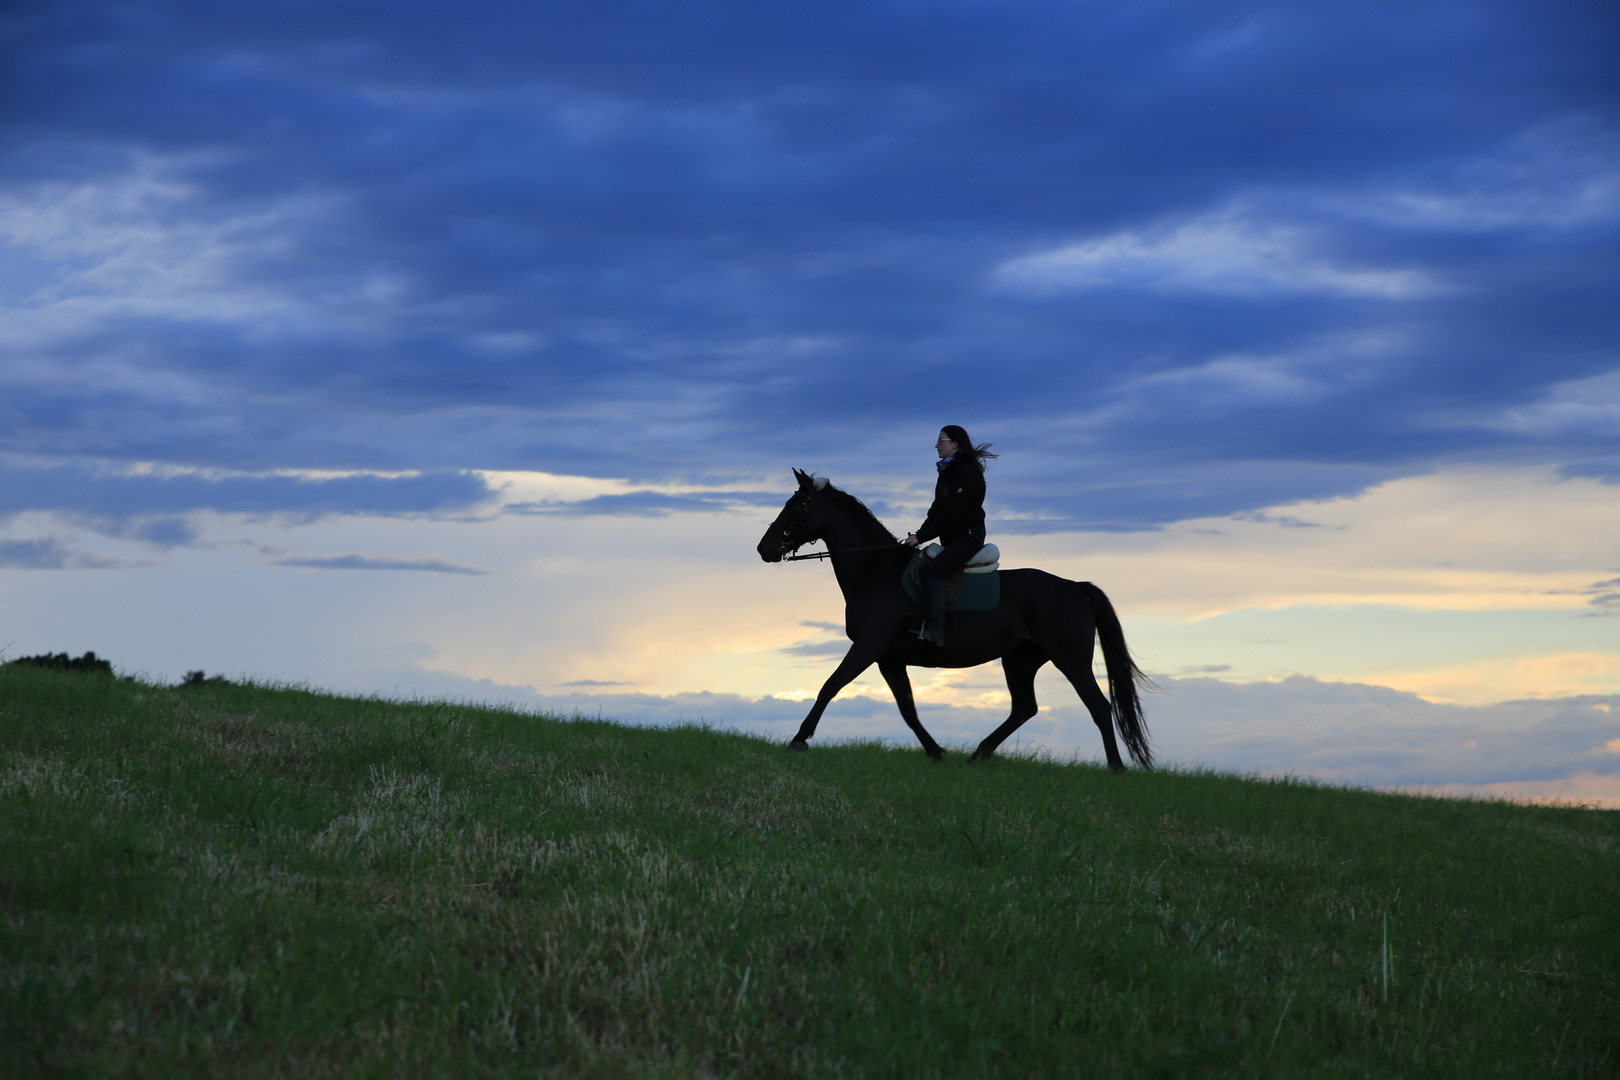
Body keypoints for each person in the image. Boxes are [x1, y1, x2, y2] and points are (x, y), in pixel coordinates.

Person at [903, 425, 996, 646]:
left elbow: (953, 512)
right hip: (953, 538)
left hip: (967, 538)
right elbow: (937, 510)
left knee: (935, 572)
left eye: (941, 441)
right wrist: (918, 534)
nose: (936, 446)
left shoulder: (965, 472)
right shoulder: (948, 472)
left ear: (955, 443)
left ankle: (936, 632)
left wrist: (922, 537)